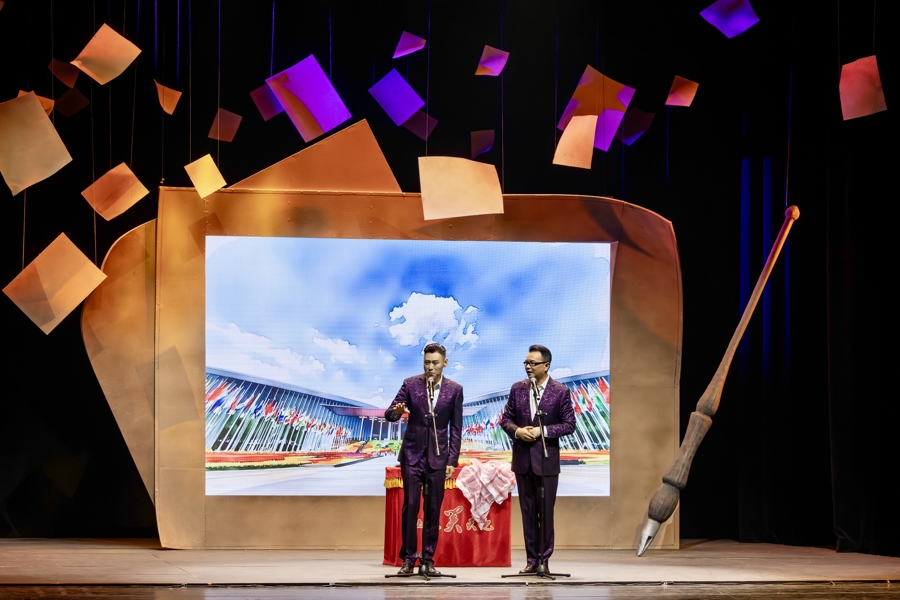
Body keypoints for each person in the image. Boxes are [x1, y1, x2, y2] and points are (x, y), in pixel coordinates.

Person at [385, 342, 464, 576]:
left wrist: (452, 460)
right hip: (412, 455)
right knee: (410, 507)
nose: (430, 367)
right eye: (426, 363)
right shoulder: (410, 384)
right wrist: (397, 412)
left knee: (433, 510)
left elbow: (456, 428)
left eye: (435, 363)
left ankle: (428, 560)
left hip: (438, 458)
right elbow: (390, 413)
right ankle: (408, 559)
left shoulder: (455, 389)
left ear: (445, 363)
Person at [500, 344, 576, 573]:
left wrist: (542, 431)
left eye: (533, 363)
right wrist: (517, 431)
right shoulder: (518, 389)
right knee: (528, 513)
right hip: (523, 461)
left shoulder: (560, 391)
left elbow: (569, 425)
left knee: (546, 512)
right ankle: (532, 560)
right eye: (526, 363)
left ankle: (544, 560)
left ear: (546, 365)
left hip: (546, 461)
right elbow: (506, 419)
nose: (528, 367)